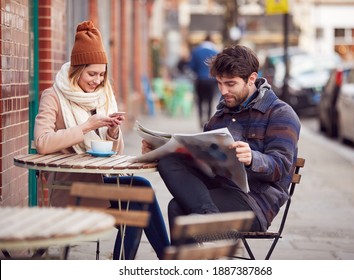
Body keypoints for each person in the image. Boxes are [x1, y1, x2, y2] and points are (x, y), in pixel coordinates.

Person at [34, 20, 169, 259]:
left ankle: (166, 261)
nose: (97, 80)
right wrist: (86, 126)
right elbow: (42, 142)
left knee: (143, 190)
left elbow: (113, 152)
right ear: (76, 70)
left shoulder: (101, 97)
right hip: (71, 187)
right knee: (136, 204)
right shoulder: (53, 96)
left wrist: (113, 132)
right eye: (91, 74)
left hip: (101, 180)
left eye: (102, 74)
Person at [145, 45, 301, 237]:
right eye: (219, 83)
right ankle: (209, 218)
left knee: (178, 208)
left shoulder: (280, 113)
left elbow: (282, 166)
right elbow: (203, 162)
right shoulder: (220, 116)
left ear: (251, 78)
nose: (223, 90)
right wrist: (161, 149)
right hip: (220, 189)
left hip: (255, 202)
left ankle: (203, 226)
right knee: (169, 160)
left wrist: (253, 158)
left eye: (230, 84)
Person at [189, 34, 218, 128]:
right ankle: (209, 121)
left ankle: (201, 121)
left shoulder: (196, 51)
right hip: (211, 81)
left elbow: (191, 66)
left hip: (200, 80)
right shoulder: (215, 51)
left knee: (200, 101)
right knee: (210, 101)